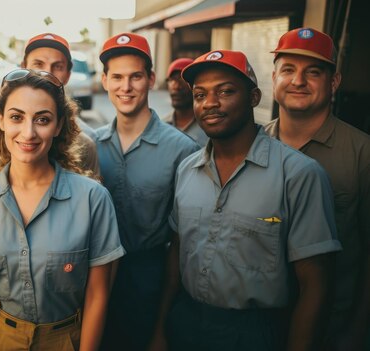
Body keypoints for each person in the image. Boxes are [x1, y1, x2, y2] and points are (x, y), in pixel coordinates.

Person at [155, 49, 341, 351]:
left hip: (257, 333)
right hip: (186, 321)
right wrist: (161, 330)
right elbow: (177, 253)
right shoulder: (187, 170)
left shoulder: (299, 174)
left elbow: (315, 284)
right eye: (200, 95)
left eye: (225, 91)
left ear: (254, 97)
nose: (210, 103)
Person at [0, 69, 125, 350]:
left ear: (58, 126)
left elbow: (97, 295)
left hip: (65, 340)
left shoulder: (93, 199)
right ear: (1, 121)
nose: (28, 133)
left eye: (42, 119)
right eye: (17, 117)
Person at [265, 27, 370, 350]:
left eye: (313, 72)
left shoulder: (361, 153)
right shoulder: (253, 146)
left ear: (334, 82)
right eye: (288, 70)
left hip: (332, 329)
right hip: (259, 324)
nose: (298, 81)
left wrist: (356, 331)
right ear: (273, 78)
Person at [94, 33, 200, 351]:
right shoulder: (89, 146)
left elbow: (184, 239)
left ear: (151, 79)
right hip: (94, 279)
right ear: (104, 81)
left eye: (135, 76)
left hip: (150, 282)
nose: (126, 87)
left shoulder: (183, 150)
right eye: (117, 77)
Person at [21, 33, 100, 175]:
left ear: (68, 75)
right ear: (24, 68)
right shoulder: (3, 132)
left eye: (57, 67)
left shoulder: (85, 142)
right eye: (38, 64)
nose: (47, 74)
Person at [162, 58, 208, 147]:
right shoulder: (161, 126)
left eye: (182, 80)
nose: (176, 86)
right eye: (171, 80)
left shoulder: (210, 125)